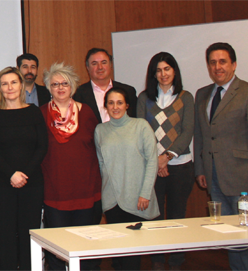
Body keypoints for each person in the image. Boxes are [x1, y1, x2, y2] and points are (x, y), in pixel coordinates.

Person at [194, 42, 248, 271]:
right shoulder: (203, 94)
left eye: (222, 62)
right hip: (214, 179)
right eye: (212, 62)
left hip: (244, 179)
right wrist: (200, 169)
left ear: (233, 64)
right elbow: (201, 135)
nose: (217, 67)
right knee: (231, 238)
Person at [39, 63, 102, 271]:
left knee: (85, 243)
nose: (60, 87)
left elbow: (99, 148)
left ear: (72, 85)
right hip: (55, 190)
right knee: (57, 246)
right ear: (49, 87)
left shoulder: (88, 113)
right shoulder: (40, 114)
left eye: (65, 83)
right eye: (55, 84)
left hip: (85, 188)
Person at [136, 52, 194, 271]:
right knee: (155, 219)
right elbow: (142, 132)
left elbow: (187, 132)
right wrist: (156, 161)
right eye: (158, 70)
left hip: (180, 166)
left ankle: (177, 262)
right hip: (153, 167)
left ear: (174, 71)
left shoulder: (185, 97)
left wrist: (167, 157)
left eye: (167, 69)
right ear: (153, 74)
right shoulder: (144, 98)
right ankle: (158, 262)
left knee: (178, 216)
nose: (163, 74)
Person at [0, 66, 47, 271]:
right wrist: (12, 174)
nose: (9, 87)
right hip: (1, 185)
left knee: (28, 235)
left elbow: (42, 147)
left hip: (31, 184)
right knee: (4, 237)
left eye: (13, 82)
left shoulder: (34, 112)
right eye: (4, 83)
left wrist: (25, 174)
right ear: (0, 88)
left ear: (21, 85)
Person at [94, 87, 159, 271]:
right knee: (118, 254)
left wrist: (145, 193)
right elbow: (101, 164)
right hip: (112, 200)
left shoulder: (141, 126)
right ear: (106, 106)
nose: (115, 107)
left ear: (127, 105)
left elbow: (152, 161)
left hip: (136, 198)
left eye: (119, 102)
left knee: (132, 255)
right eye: (111, 103)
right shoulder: (100, 130)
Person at [73, 48, 137, 123]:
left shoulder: (128, 91)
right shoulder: (77, 94)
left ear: (110, 65)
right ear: (88, 68)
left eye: (104, 62)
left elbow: (134, 121)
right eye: (94, 63)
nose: (100, 67)